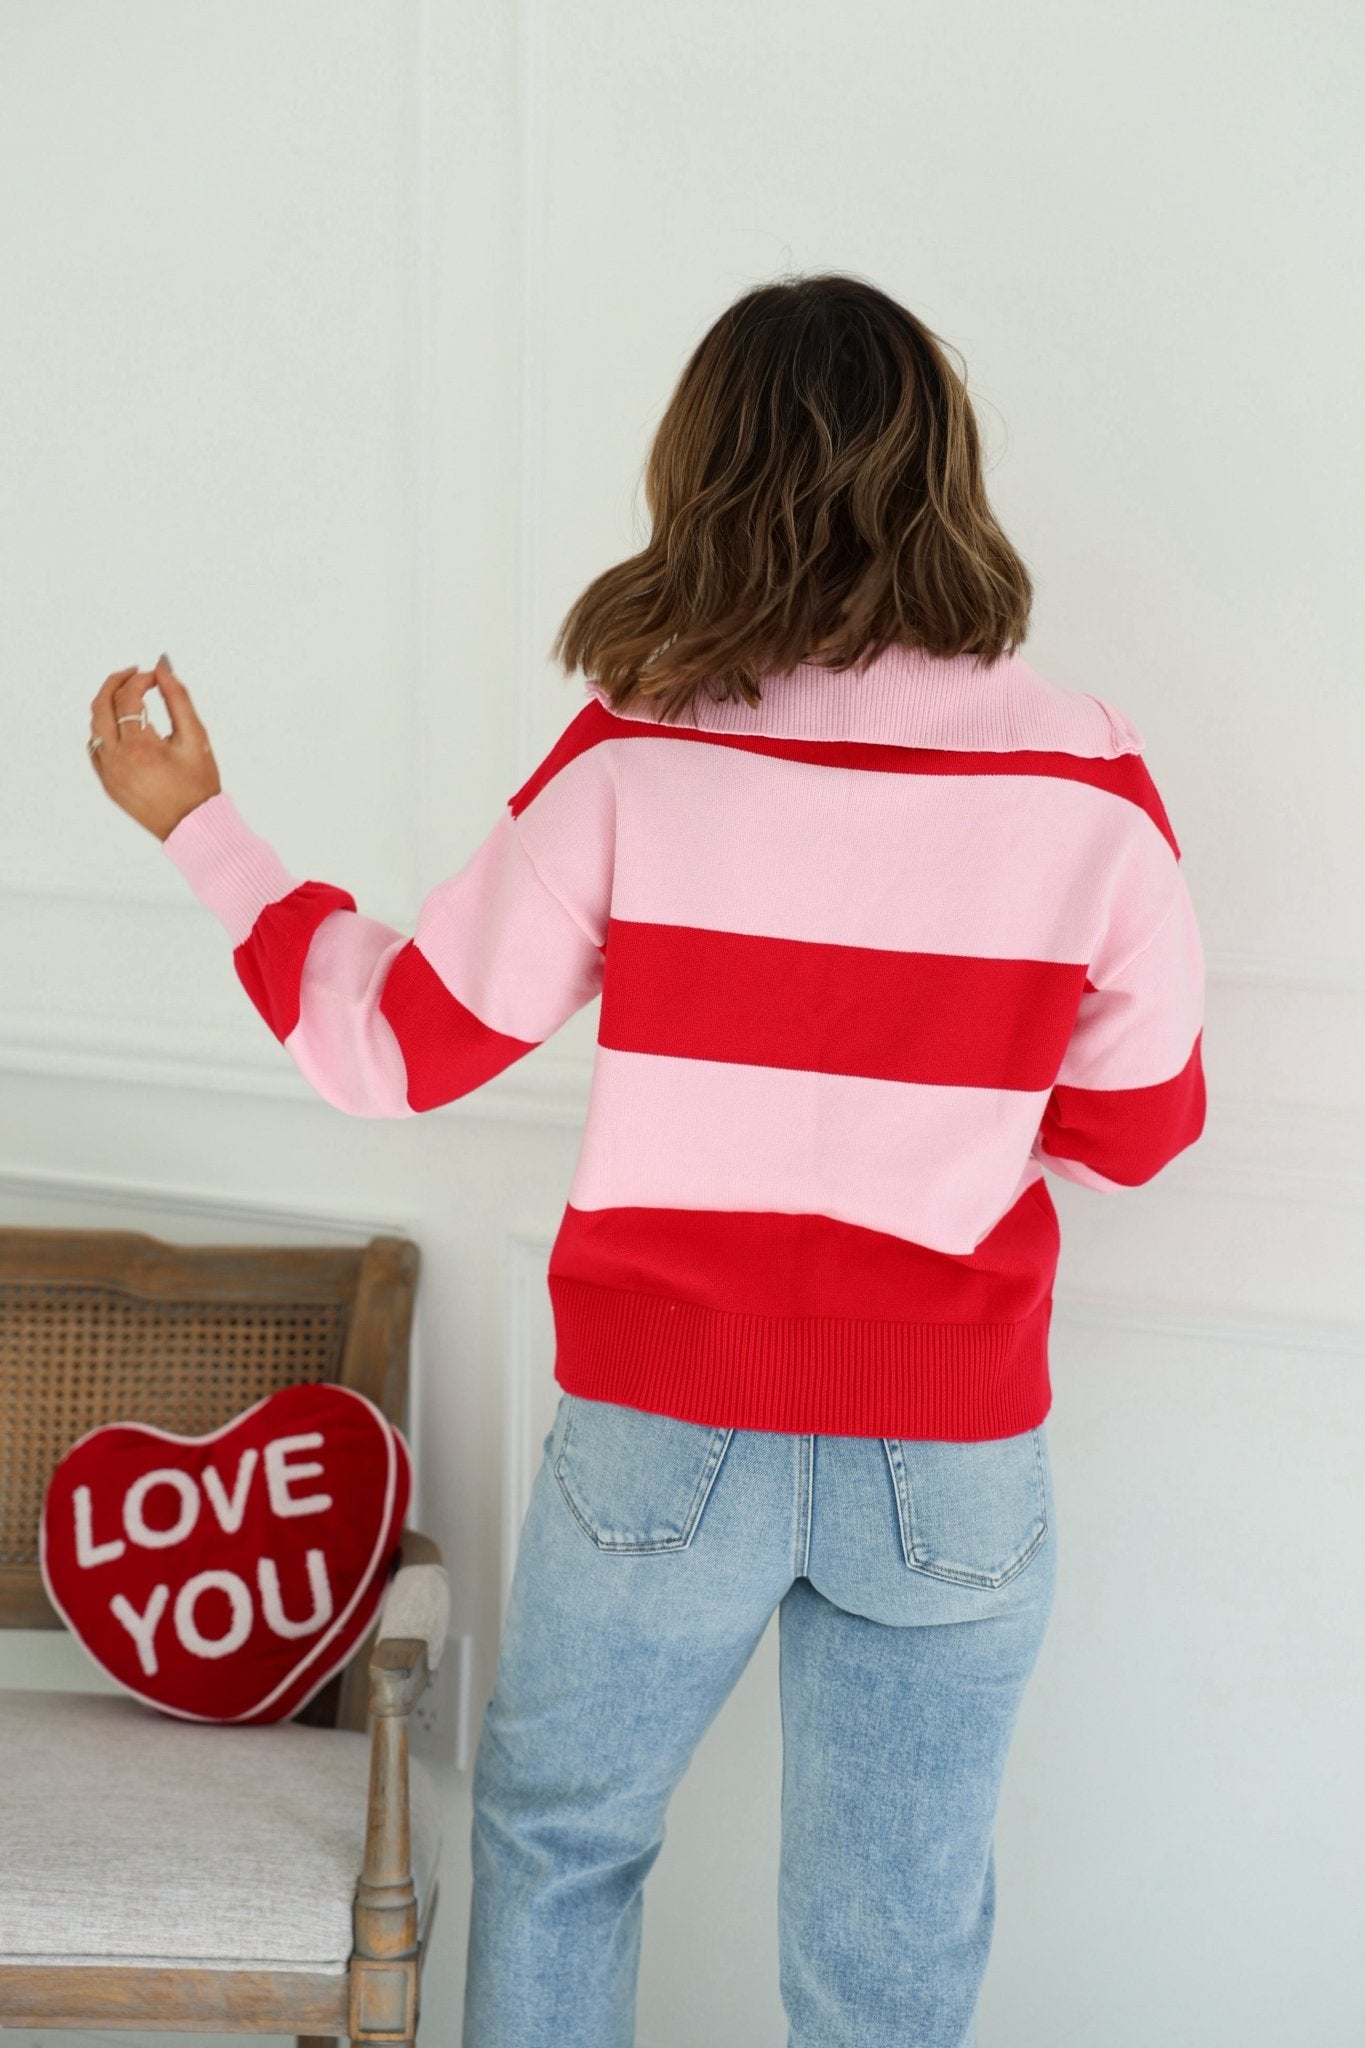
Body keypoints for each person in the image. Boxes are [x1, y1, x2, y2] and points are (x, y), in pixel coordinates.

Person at [86, 270, 1206, 2048]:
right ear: (942, 470)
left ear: (703, 473)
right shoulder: (1087, 780)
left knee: (560, 1850)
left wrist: (201, 828)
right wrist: (961, 1082)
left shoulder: (634, 751)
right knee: (889, 1946)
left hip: (662, 1428)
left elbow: (395, 1048)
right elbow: (1140, 1132)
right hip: (950, 1449)